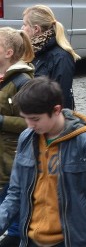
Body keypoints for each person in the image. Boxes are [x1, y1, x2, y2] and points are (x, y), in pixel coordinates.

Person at [0, 77, 86, 246]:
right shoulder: (26, 138)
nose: (29, 124)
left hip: (71, 241)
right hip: (31, 241)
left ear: (56, 110)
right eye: (25, 118)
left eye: (35, 119)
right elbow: (15, 194)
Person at [0, 28, 34, 247]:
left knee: (14, 221)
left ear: (8, 52)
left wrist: (2, 121)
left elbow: (33, 123)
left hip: (10, 162)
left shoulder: (23, 82)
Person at [20, 6, 77, 112]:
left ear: (36, 29)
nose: (22, 29)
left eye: (24, 24)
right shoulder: (31, 51)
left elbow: (62, 98)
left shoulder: (61, 57)